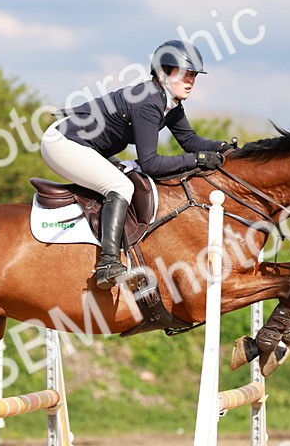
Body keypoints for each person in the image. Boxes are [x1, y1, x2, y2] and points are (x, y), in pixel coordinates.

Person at [40, 39, 234, 289]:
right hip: (63, 142)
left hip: (88, 146)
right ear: (163, 74)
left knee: (123, 178)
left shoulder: (170, 103)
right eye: (185, 74)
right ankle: (107, 264)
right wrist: (197, 160)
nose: (190, 81)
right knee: (121, 187)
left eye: (194, 75)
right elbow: (151, 163)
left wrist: (225, 148)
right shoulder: (149, 101)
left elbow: (189, 140)